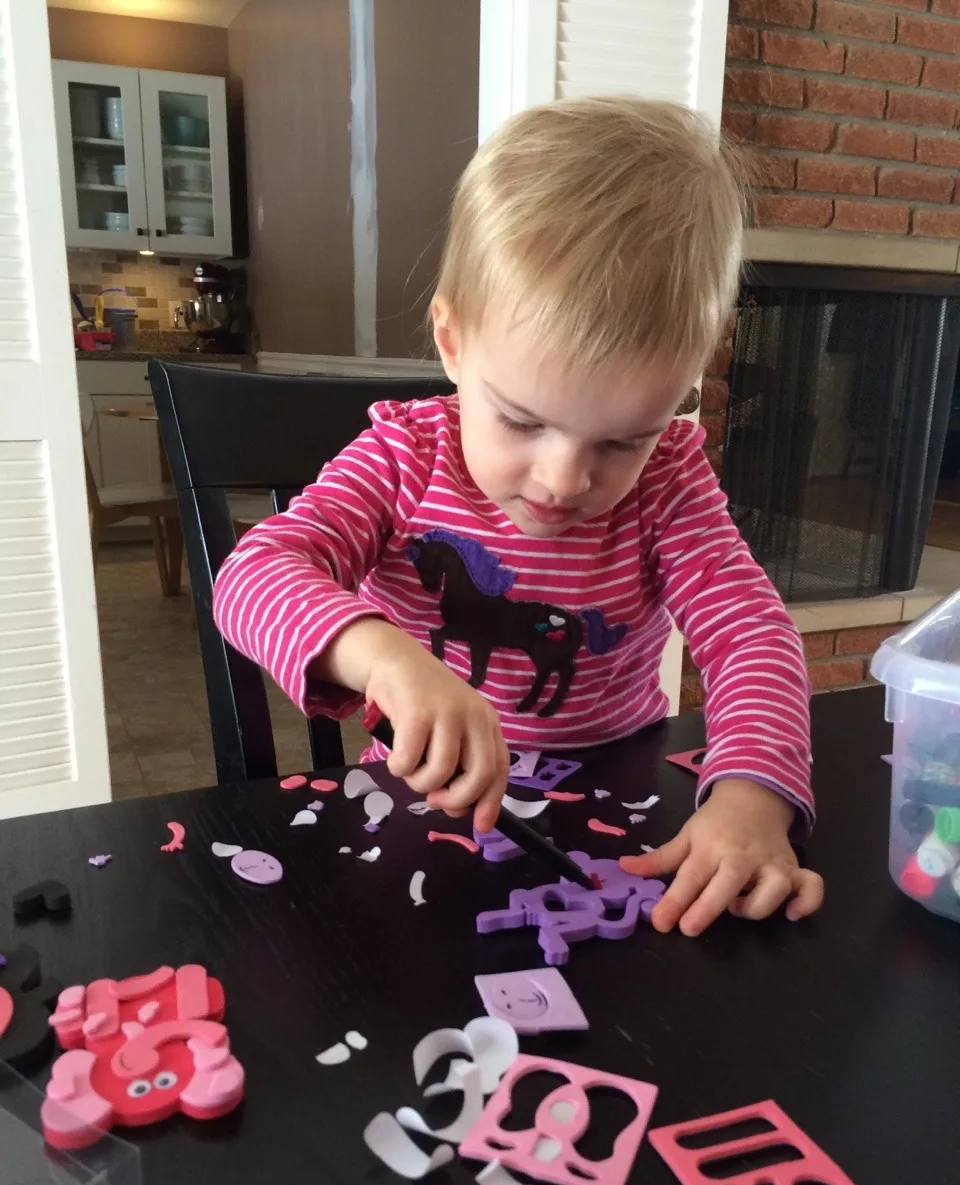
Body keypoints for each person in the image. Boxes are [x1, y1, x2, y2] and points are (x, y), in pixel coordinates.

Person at [213, 96, 823, 936]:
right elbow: (253, 573)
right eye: (523, 421)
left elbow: (750, 632)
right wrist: (383, 658)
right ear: (452, 341)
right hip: (423, 803)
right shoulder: (403, 456)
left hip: (623, 793)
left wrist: (754, 799)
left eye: (623, 440)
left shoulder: (671, 481)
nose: (565, 478)